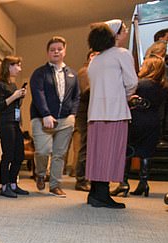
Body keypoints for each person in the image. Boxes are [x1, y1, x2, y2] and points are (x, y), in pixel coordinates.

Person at [86, 21, 138, 208]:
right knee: (111, 153)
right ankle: (102, 194)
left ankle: (95, 192)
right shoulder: (121, 55)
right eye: (124, 30)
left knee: (97, 153)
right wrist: (123, 96)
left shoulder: (95, 60)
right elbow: (132, 82)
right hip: (114, 112)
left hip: (95, 114)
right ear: (115, 35)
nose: (126, 33)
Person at [110, 55, 168, 197]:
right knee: (146, 152)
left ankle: (123, 183)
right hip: (154, 121)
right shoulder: (164, 87)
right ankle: (144, 183)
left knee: (127, 150)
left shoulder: (139, 84)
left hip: (137, 120)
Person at [30, 36, 80, 198]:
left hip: (65, 120)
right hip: (41, 118)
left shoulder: (72, 74)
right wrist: (45, 114)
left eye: (59, 49)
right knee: (43, 150)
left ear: (64, 51)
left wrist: (73, 114)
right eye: (52, 50)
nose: (56, 52)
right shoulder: (40, 73)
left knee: (59, 154)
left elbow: (76, 96)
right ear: (48, 53)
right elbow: (38, 94)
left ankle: (55, 185)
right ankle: (40, 173)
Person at [0, 56, 29, 198]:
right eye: (17, 66)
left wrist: (20, 97)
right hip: (5, 124)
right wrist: (14, 96)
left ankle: (13, 183)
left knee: (19, 155)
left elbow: (15, 106)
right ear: (9, 66)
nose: (19, 69)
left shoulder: (13, 85)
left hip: (14, 123)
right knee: (8, 155)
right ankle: (5, 186)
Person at [73, 50, 98, 192]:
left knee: (91, 147)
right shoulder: (85, 71)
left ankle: (89, 177)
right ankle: (81, 179)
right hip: (85, 114)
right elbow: (87, 91)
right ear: (89, 57)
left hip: (93, 113)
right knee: (85, 146)